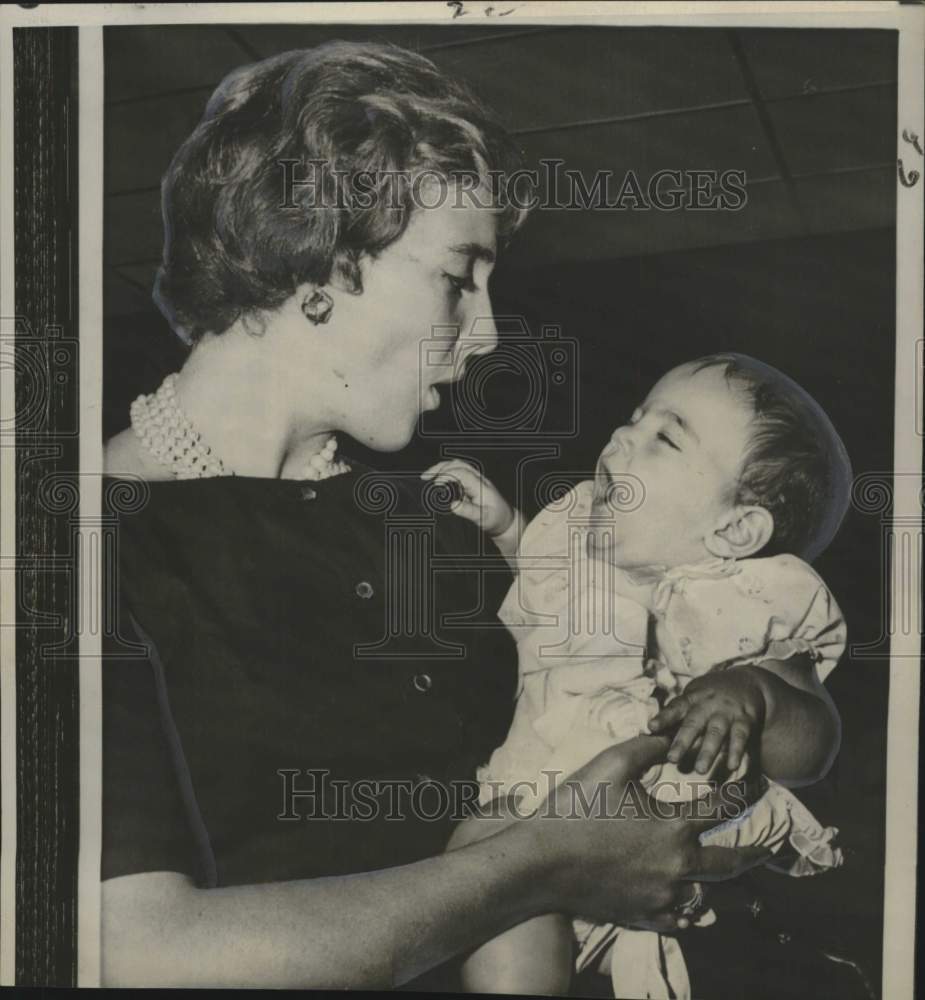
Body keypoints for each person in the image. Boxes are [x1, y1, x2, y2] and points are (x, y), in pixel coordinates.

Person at [101, 43, 774, 989]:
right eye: (458, 277)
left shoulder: (440, 517)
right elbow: (136, 954)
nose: (489, 332)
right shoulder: (68, 548)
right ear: (322, 262)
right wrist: (544, 862)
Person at [425, 353, 850, 997]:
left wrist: (755, 693)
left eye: (666, 436)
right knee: (484, 858)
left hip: (668, 843)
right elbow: (551, 619)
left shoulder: (751, 601)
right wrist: (509, 530)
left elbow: (812, 745)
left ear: (735, 529)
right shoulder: (586, 561)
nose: (623, 435)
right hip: (538, 816)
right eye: (633, 418)